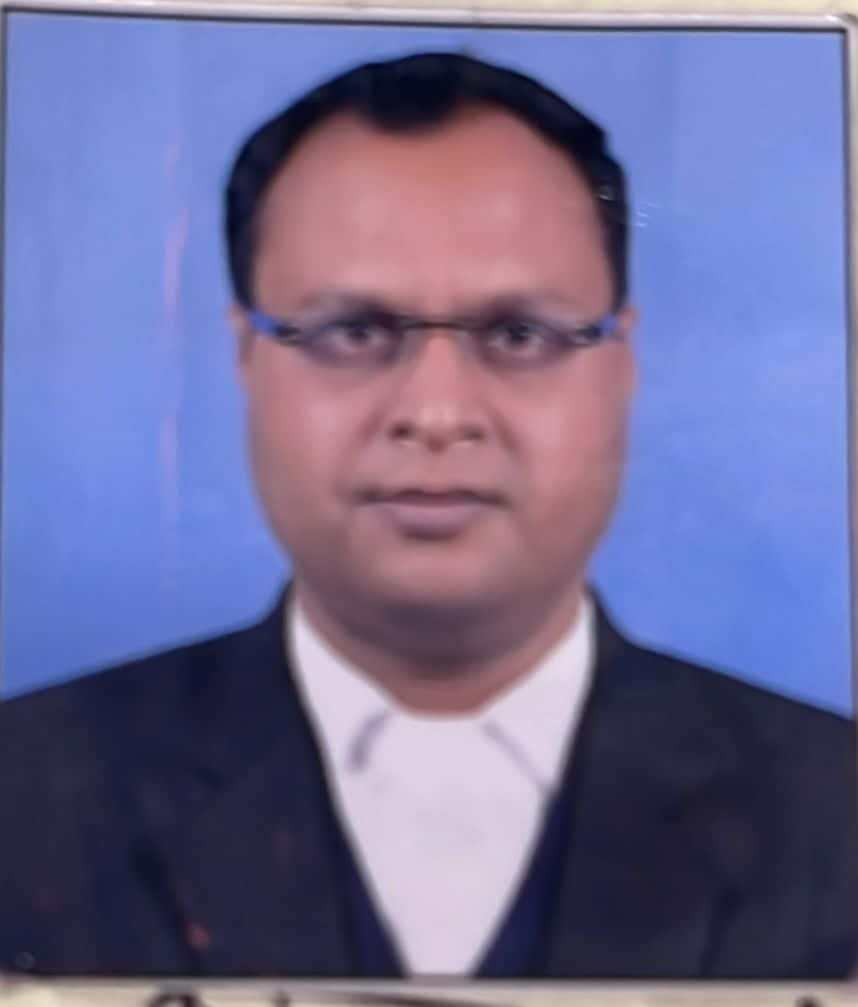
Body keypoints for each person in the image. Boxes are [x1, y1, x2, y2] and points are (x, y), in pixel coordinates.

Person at [1, 51, 855, 981]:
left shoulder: (835, 812)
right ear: (246, 354)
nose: (438, 413)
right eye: (354, 332)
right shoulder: (28, 797)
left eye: (519, 334)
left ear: (622, 362)